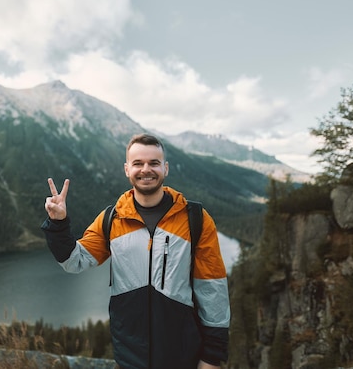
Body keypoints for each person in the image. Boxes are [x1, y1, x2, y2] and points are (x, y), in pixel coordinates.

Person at [41, 133, 230, 369]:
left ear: (166, 168)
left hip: (183, 357)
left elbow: (213, 291)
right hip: (130, 357)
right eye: (138, 163)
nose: (146, 170)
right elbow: (73, 261)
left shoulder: (195, 219)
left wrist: (212, 356)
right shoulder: (111, 219)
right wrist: (59, 223)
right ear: (126, 169)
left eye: (154, 163)